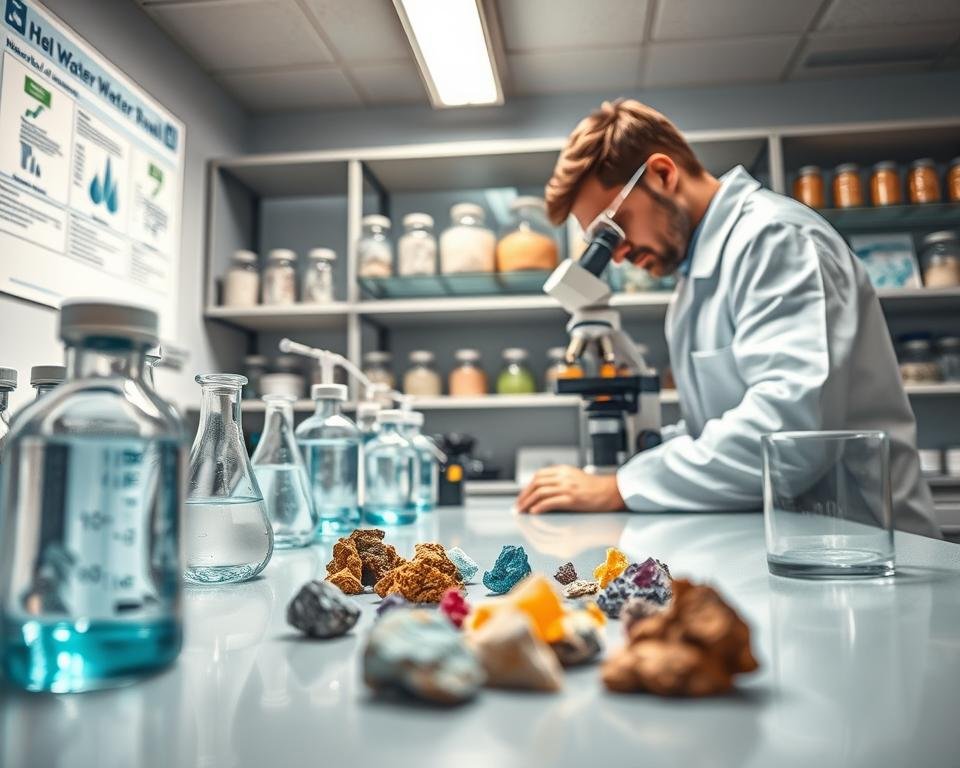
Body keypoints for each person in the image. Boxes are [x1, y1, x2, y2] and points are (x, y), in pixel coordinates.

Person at [516, 98, 939, 538]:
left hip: (862, 546)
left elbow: (789, 435)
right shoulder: (692, 283)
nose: (617, 254)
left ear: (662, 174)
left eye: (614, 229)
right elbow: (720, 424)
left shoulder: (776, 239)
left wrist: (620, 487)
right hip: (795, 543)